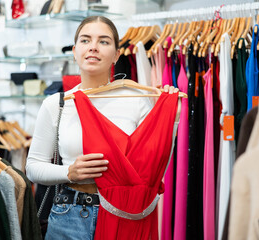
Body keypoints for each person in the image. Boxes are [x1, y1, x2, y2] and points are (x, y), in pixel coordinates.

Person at [26, 16, 180, 240]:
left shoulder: (137, 99)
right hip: (70, 216)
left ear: (117, 54)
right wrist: (68, 172)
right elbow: (32, 167)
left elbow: (156, 164)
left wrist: (171, 120)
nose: (93, 48)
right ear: (75, 50)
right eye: (85, 40)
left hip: (126, 216)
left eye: (104, 41)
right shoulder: (57, 104)